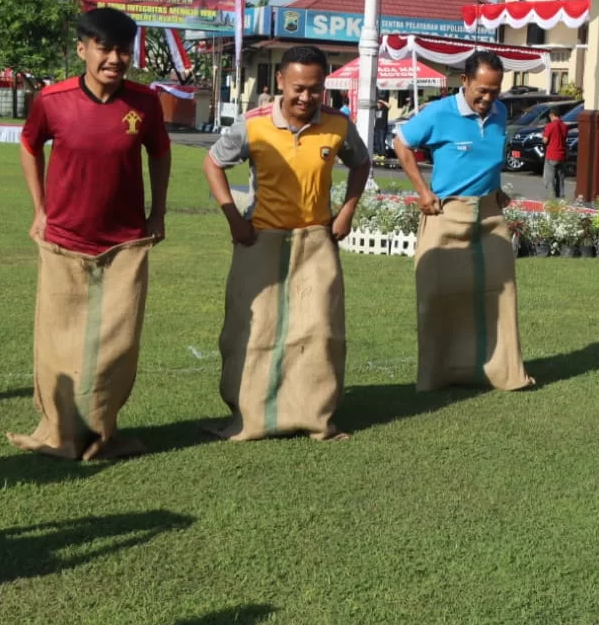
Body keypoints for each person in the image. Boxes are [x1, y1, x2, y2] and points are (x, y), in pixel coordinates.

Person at [10, 7, 172, 461]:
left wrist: (157, 212)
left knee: (115, 346)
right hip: (63, 240)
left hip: (124, 244)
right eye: (105, 48)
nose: (115, 59)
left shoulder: (144, 103)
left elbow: (160, 154)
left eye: (124, 49)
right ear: (82, 49)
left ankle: (101, 430)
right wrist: (39, 210)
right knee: (58, 344)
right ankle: (59, 432)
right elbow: (29, 145)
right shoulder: (52, 100)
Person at [205, 45, 370, 441]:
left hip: (315, 240)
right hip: (260, 239)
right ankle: (248, 417)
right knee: (251, 330)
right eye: (298, 87)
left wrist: (346, 210)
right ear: (279, 81)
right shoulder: (253, 124)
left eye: (315, 89)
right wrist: (233, 217)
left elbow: (361, 163)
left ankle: (315, 417)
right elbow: (213, 163)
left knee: (319, 332)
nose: (305, 97)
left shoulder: (338, 124)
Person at [395, 51, 534, 392]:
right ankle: (436, 377)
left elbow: (486, 155)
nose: (488, 99)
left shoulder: (501, 112)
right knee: (437, 296)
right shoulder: (439, 113)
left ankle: (504, 373)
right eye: (482, 90)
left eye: (495, 90)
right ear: (465, 81)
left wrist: (497, 187)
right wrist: (422, 191)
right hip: (446, 214)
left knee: (500, 294)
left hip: (489, 215)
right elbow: (402, 143)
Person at [540, 108, 568, 199]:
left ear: (551, 115)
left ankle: (552, 196)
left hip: (551, 154)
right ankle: (561, 195)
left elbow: (545, 140)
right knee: (560, 176)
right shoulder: (564, 126)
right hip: (562, 154)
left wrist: (542, 135)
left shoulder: (550, 126)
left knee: (550, 177)